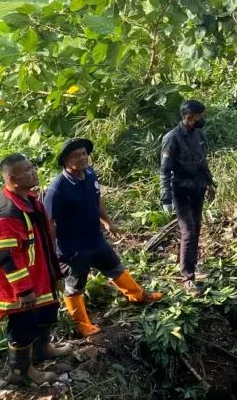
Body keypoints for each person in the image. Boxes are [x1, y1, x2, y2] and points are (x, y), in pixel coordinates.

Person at [46, 139, 162, 338]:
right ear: (66, 161)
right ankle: (82, 324)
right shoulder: (58, 188)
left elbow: (97, 198)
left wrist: (107, 221)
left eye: (84, 153)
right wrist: (50, 251)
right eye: (77, 155)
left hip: (95, 238)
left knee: (115, 267)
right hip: (74, 247)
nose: (82, 157)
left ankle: (137, 296)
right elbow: (50, 221)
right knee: (74, 285)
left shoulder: (90, 175)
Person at [0, 154, 70, 385]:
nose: (34, 172)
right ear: (12, 178)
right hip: (16, 283)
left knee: (47, 310)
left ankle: (42, 349)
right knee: (24, 322)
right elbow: (6, 256)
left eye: (32, 167)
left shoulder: (28, 199)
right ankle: (21, 372)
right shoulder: (8, 212)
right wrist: (23, 290)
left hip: (38, 273)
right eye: (28, 170)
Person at [159, 99, 215, 294]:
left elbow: (202, 161)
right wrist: (165, 198)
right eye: (200, 116)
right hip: (180, 190)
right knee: (188, 232)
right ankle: (187, 277)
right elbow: (165, 171)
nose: (202, 120)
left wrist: (210, 183)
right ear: (189, 117)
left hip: (197, 188)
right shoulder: (172, 138)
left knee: (196, 229)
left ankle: (192, 265)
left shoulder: (199, 133)